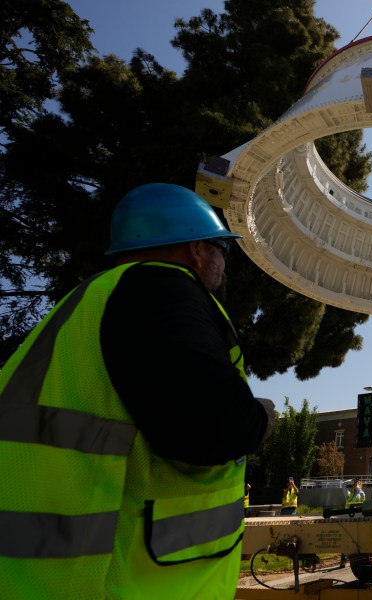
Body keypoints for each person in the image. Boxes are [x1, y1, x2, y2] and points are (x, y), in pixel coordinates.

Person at [0, 183, 276, 599]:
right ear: (197, 249)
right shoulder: (160, 288)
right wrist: (261, 418)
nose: (224, 264)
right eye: (224, 250)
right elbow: (211, 426)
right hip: (123, 581)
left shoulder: (90, 303)